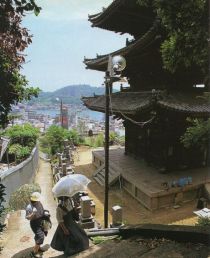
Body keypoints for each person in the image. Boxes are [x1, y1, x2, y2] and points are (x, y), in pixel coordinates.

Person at [25, 192, 47, 258]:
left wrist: (45, 214)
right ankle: (34, 252)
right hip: (34, 223)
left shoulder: (39, 203)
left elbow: (42, 210)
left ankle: (38, 248)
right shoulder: (29, 207)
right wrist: (33, 214)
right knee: (40, 236)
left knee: (39, 235)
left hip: (41, 220)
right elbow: (28, 218)